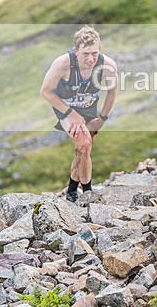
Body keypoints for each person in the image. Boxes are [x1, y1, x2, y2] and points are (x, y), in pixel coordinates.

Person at [40, 26, 118, 201]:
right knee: (84, 143)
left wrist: (102, 118)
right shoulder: (62, 64)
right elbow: (45, 91)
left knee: (83, 149)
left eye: (94, 53)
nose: (90, 59)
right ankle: (88, 193)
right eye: (85, 54)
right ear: (76, 51)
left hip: (89, 106)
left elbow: (112, 92)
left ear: (100, 50)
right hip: (65, 107)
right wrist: (71, 113)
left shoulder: (108, 66)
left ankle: (72, 190)